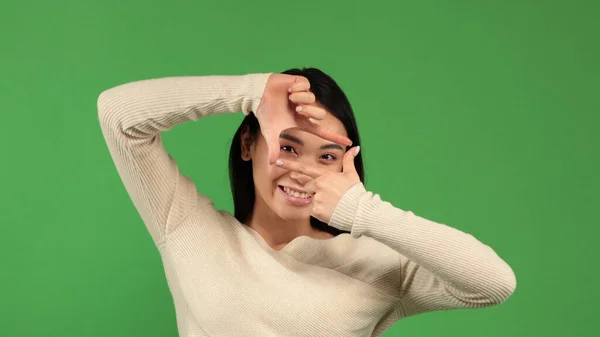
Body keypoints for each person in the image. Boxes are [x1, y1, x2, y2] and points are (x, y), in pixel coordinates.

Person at [98, 67, 516, 337]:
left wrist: (364, 211)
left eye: (327, 156)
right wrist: (251, 93)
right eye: (289, 147)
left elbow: (494, 284)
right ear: (248, 143)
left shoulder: (376, 265)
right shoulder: (188, 227)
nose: (304, 171)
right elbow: (118, 114)